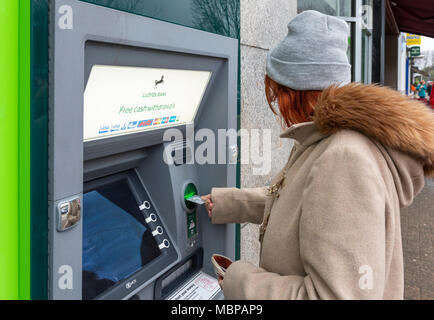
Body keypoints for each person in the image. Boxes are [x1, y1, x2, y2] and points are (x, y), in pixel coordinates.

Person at [201, 10, 434, 300]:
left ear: (294, 92)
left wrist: (240, 280)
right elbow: (303, 204)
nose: (276, 104)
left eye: (276, 93)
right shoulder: (331, 140)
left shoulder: (344, 159)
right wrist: (229, 203)